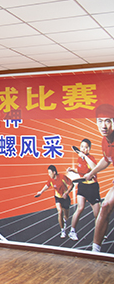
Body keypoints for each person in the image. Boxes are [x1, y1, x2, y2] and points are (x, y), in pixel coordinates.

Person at [84, 104, 114, 252]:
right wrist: (91, 173)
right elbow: (107, 159)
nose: (104, 125)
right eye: (100, 121)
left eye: (108, 121)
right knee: (106, 205)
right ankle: (95, 252)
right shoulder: (105, 141)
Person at [67, 139, 100, 241]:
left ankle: (100, 233)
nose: (83, 149)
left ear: (89, 149)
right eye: (82, 147)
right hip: (82, 186)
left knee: (97, 214)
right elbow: (81, 171)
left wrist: (85, 157)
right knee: (80, 208)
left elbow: (95, 168)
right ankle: (72, 231)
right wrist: (73, 170)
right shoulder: (79, 159)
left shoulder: (91, 158)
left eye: (86, 147)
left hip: (92, 187)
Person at [35, 165, 73, 239]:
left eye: (50, 173)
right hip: (58, 198)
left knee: (66, 216)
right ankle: (62, 230)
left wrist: (67, 193)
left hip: (65, 198)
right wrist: (41, 192)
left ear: (54, 172)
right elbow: (47, 186)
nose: (49, 174)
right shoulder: (50, 180)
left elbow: (71, 185)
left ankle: (64, 221)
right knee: (60, 212)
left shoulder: (62, 177)